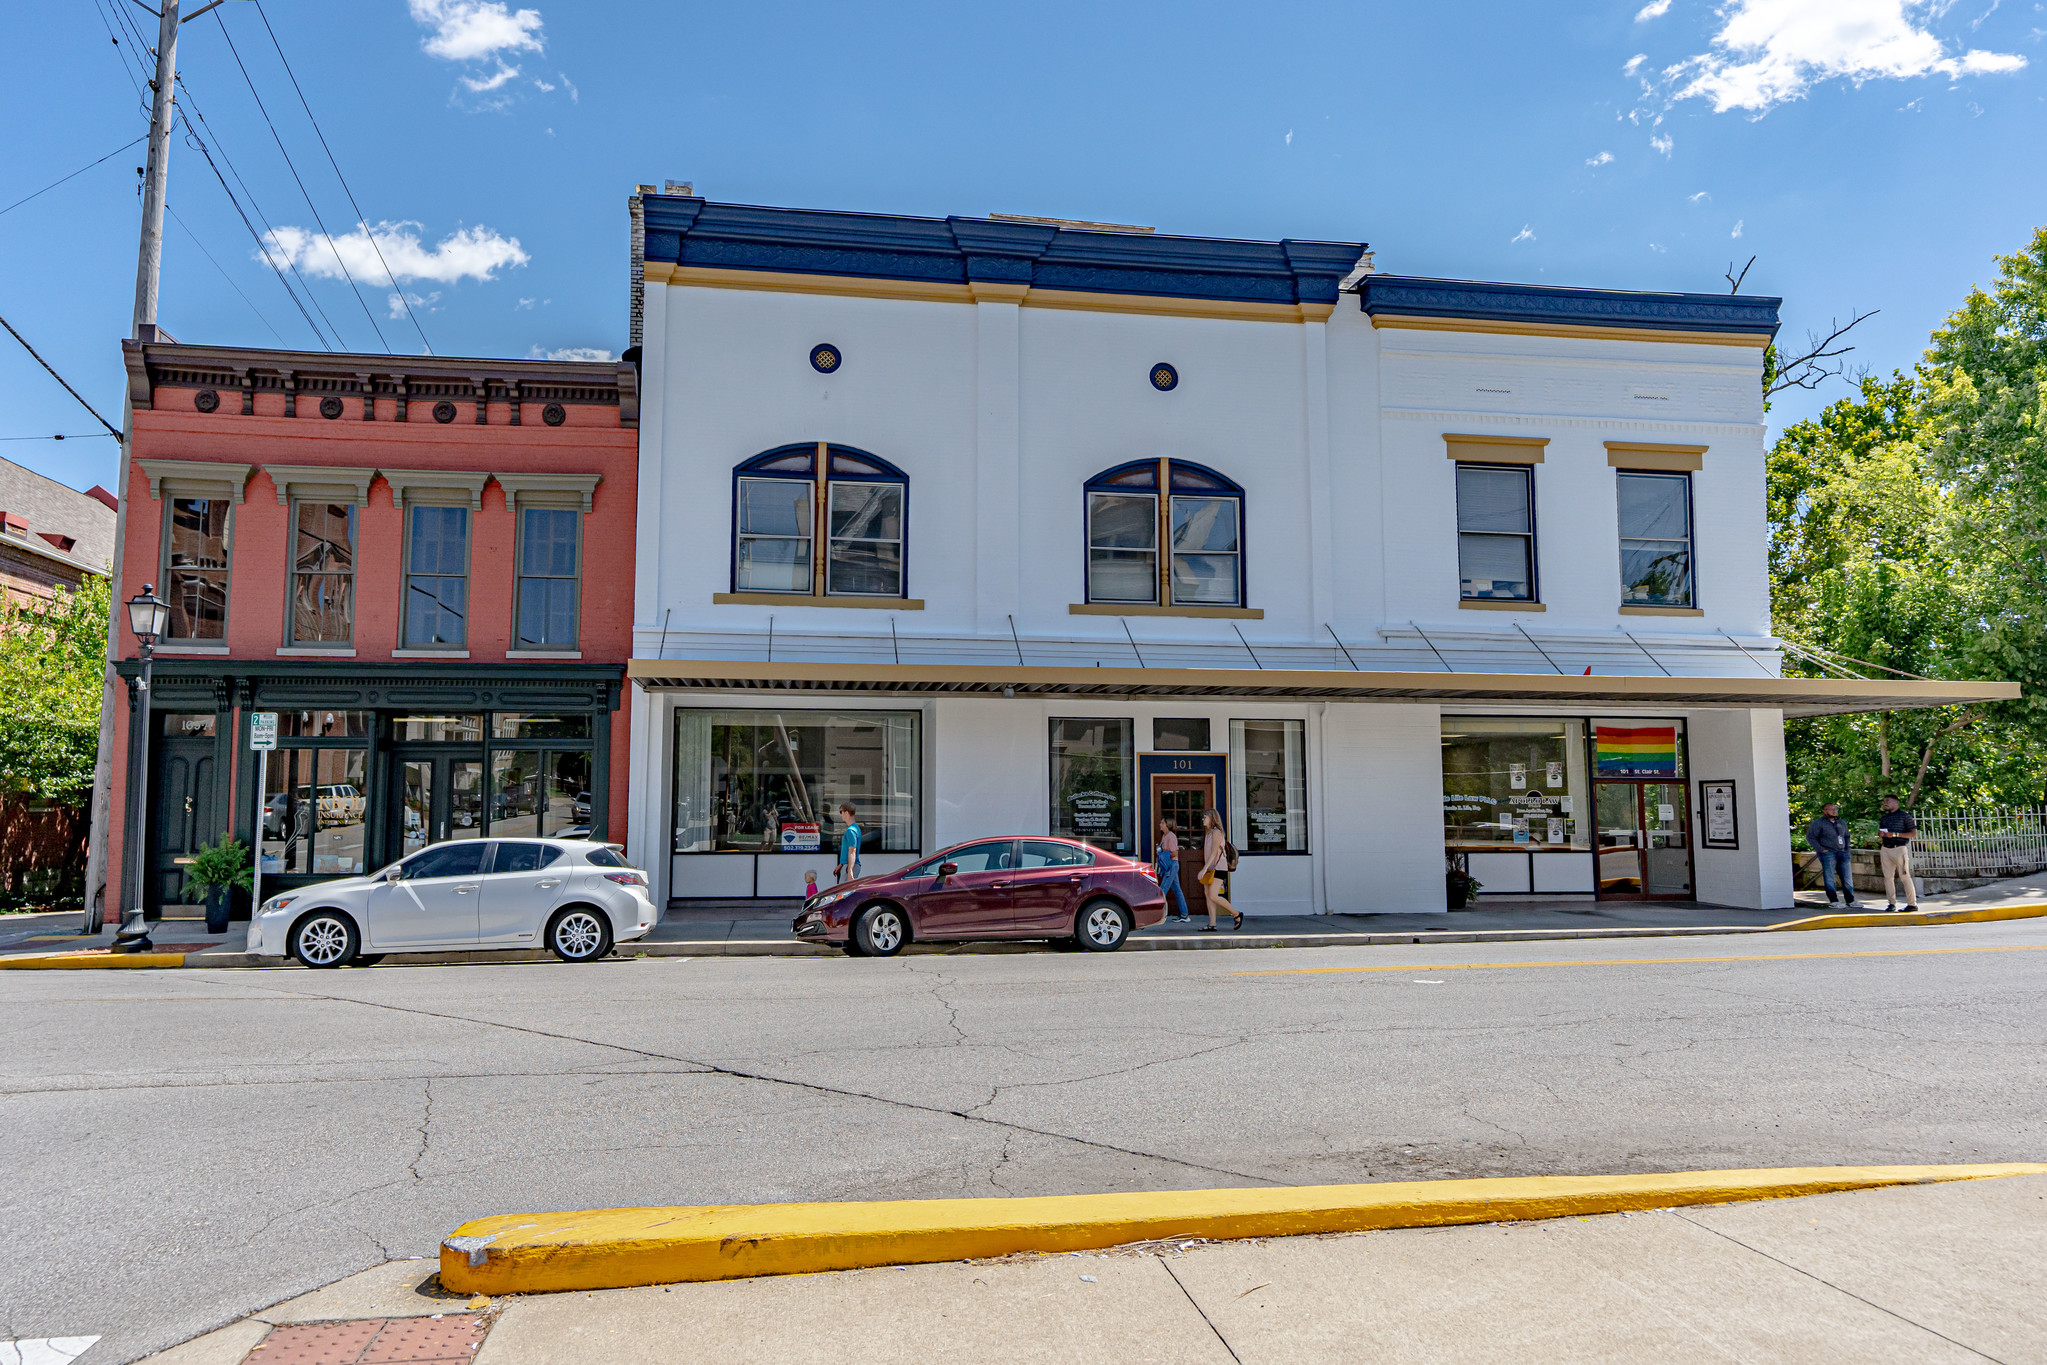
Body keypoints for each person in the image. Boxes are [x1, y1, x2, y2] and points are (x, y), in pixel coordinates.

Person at [1804, 803, 1858, 907]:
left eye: (1835, 809)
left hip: (1843, 853)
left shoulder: (1841, 822)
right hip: (1828, 853)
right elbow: (1811, 837)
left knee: (1847, 877)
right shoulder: (1818, 823)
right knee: (1829, 877)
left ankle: (1850, 900)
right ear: (1825, 811)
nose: (1834, 811)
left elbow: (1846, 835)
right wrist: (1821, 850)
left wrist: (1847, 848)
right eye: (1831, 809)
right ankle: (1834, 901)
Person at [1198, 807, 1242, 933]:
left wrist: (1203, 869)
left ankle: (1236, 914)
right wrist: (1205, 868)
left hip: (1219, 867)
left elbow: (1213, 854)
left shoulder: (1217, 832)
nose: (1203, 819)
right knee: (1208, 895)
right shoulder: (1208, 833)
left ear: (1212, 818)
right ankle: (1212, 924)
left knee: (1213, 894)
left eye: (1205, 817)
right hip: (1210, 868)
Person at [1877, 795, 1919, 911]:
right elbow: (1883, 831)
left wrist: (1895, 834)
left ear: (1896, 803)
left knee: (1905, 876)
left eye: (1888, 801)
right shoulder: (1884, 818)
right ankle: (1891, 903)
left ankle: (1912, 903)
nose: (1885, 803)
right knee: (1888, 878)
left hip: (1899, 848)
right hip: (1886, 848)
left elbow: (1913, 833)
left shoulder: (1905, 816)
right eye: (1884, 801)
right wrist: (1881, 834)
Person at [1155, 816, 1190, 924]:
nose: (1160, 824)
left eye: (1162, 823)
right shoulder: (1164, 836)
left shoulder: (1171, 836)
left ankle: (1156, 915)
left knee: (1162, 890)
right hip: (1169, 866)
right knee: (1177, 890)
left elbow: (1175, 853)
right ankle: (1184, 915)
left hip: (1172, 866)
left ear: (1167, 825)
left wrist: (1163, 854)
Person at [835, 803, 863, 884]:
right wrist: (841, 864)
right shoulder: (855, 828)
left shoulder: (851, 831)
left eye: (841, 812)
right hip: (847, 865)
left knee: (843, 893)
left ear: (846, 813)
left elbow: (852, 851)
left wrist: (850, 871)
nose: (840, 815)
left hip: (849, 866)